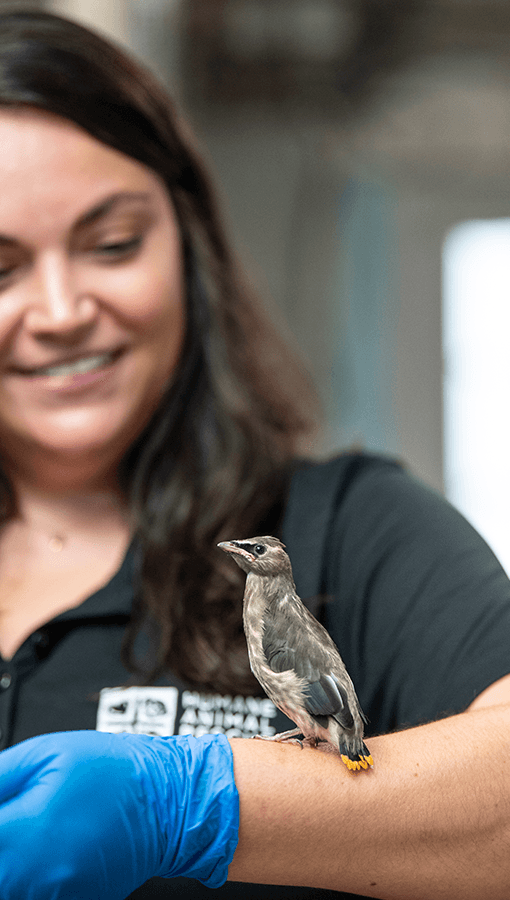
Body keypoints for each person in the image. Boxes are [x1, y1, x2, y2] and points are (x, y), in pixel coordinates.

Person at [0, 9, 508, 900]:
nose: (61, 309)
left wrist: (199, 803)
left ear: (188, 247)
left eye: (112, 244)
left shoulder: (354, 529)